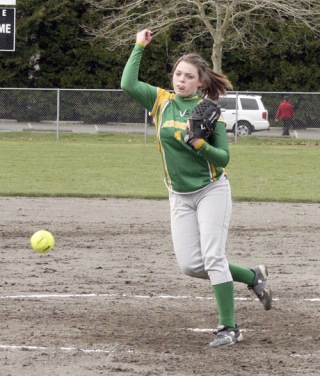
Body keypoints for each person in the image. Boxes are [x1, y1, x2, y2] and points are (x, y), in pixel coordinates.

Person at [121, 29, 272, 348]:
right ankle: (251, 276)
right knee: (191, 264)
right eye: (178, 73)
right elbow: (128, 84)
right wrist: (139, 45)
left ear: (201, 82)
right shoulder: (161, 101)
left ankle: (229, 327)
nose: (181, 80)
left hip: (211, 191)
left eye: (188, 76)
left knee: (213, 256)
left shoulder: (208, 112)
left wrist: (200, 144)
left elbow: (223, 158)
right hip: (178, 194)